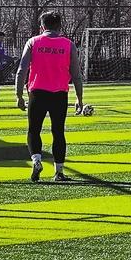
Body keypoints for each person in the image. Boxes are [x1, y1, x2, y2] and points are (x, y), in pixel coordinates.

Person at [15, 12, 84, 182]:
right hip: (59, 94)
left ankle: (36, 160)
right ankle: (59, 172)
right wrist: (79, 98)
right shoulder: (68, 45)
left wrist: (19, 95)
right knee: (58, 132)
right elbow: (76, 75)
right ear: (60, 26)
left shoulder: (33, 42)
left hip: (37, 93)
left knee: (34, 130)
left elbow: (21, 70)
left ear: (42, 26)